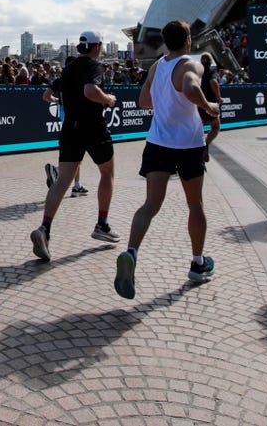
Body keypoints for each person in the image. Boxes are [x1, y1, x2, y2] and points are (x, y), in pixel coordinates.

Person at [113, 20, 220, 298]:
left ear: (165, 42)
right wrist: (209, 107)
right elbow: (190, 88)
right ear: (187, 40)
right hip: (187, 144)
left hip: (158, 142)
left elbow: (144, 102)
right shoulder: (191, 64)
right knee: (194, 203)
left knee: (150, 204)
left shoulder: (157, 66)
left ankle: (131, 253)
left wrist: (164, 102)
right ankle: (197, 264)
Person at [30, 30, 119, 263]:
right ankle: (102, 224)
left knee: (63, 180)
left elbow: (47, 94)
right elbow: (91, 91)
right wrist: (108, 99)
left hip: (70, 128)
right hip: (93, 127)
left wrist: (63, 100)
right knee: (107, 172)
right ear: (97, 46)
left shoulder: (67, 68)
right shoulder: (93, 65)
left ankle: (44, 229)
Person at [42, 63, 89, 197]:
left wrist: (57, 100)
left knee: (76, 153)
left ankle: (77, 186)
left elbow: (45, 96)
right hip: (75, 120)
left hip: (66, 119)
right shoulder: (78, 79)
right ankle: (56, 171)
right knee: (76, 154)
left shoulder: (59, 80)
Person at [199, 53, 222, 161]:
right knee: (216, 127)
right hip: (210, 105)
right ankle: (205, 144)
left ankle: (198, 148)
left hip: (198, 103)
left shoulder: (198, 72)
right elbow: (213, 82)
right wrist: (218, 97)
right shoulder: (212, 72)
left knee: (197, 129)